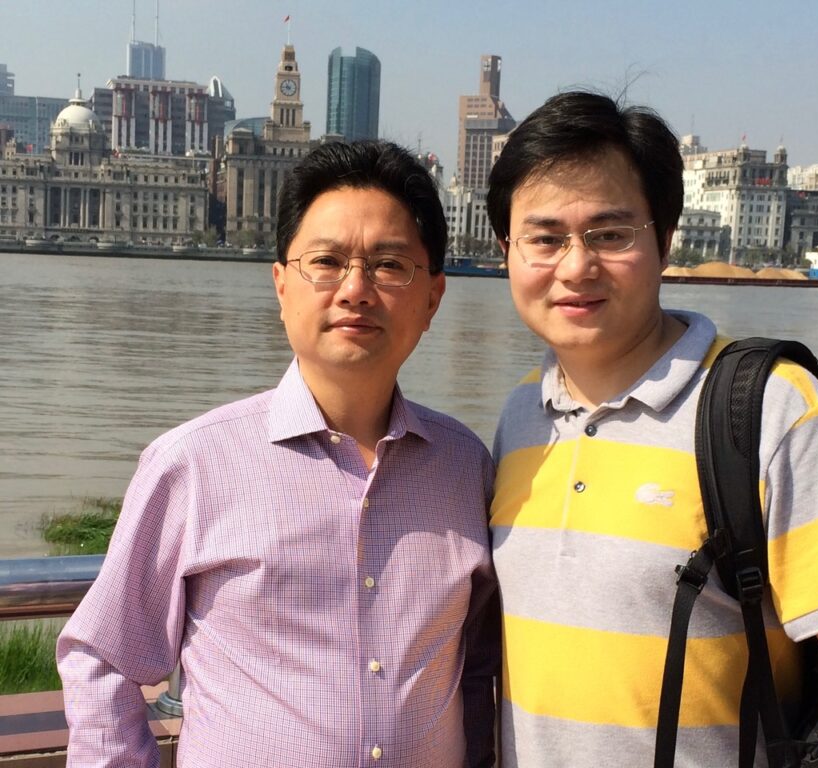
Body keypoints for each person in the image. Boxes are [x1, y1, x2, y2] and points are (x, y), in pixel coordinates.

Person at [485, 91, 818, 768]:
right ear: (507, 250)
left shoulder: (773, 411)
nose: (576, 267)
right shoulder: (520, 417)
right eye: (545, 238)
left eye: (609, 234)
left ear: (664, 239)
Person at [58, 140, 499, 768]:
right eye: (326, 261)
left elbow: (477, 664)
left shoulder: (465, 467)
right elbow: (104, 656)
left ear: (432, 297)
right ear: (282, 286)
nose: (355, 289)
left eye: (390, 265)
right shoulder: (192, 463)